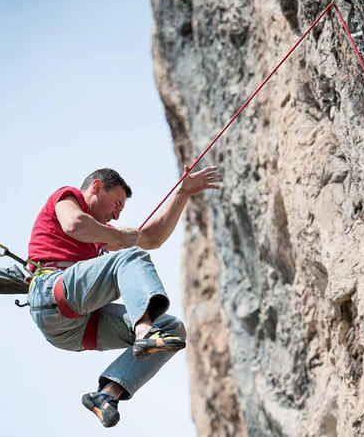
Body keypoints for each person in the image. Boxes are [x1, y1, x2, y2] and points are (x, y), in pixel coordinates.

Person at [26, 165, 222, 427]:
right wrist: (118, 237)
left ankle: (106, 395)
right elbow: (74, 224)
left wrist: (182, 193)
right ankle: (144, 331)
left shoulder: (100, 235)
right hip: (51, 292)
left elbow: (151, 238)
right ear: (96, 187)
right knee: (130, 258)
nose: (117, 215)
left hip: (75, 329)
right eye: (117, 204)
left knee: (171, 328)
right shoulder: (68, 197)